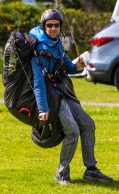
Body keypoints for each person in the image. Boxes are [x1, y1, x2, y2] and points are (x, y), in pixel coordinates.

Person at [29, 9, 113, 184]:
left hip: (64, 93)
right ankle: (62, 173)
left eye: (56, 25)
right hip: (52, 98)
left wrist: (78, 66)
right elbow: (38, 83)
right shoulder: (38, 49)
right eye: (49, 25)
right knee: (73, 131)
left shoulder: (57, 43)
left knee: (88, 124)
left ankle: (91, 170)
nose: (53, 28)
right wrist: (43, 109)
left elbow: (66, 65)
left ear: (60, 27)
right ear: (43, 27)